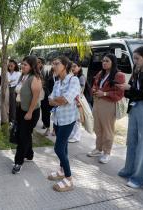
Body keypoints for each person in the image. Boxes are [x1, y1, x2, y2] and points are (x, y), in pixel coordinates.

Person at [117, 46, 143, 189]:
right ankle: (129, 170)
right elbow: (127, 93)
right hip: (134, 109)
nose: (134, 61)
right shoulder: (136, 71)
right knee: (131, 141)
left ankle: (140, 178)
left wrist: (134, 90)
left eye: (137, 58)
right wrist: (138, 91)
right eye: (134, 58)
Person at [47, 56, 80, 192]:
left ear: (65, 65)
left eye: (57, 63)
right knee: (64, 146)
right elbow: (50, 100)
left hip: (68, 120)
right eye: (53, 64)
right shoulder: (57, 82)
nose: (54, 66)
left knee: (58, 149)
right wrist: (58, 100)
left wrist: (58, 100)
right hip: (58, 119)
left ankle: (69, 178)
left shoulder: (73, 80)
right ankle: (61, 170)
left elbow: (65, 99)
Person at [87, 53, 125, 164]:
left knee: (107, 129)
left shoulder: (119, 75)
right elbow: (94, 84)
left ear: (113, 62)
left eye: (107, 61)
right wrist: (94, 89)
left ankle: (107, 152)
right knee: (97, 128)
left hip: (109, 104)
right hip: (97, 102)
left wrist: (104, 93)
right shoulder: (100, 73)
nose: (104, 63)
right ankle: (98, 149)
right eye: (103, 61)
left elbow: (119, 93)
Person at [12, 55, 42, 174]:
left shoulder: (35, 78)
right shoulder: (23, 76)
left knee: (22, 136)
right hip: (21, 109)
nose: (22, 66)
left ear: (32, 66)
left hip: (31, 111)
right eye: (22, 64)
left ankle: (18, 162)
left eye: (25, 65)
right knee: (25, 133)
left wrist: (29, 112)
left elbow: (36, 97)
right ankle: (29, 154)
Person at [68, 61, 86, 143]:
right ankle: (73, 134)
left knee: (78, 120)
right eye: (72, 66)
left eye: (75, 66)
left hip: (78, 100)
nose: (73, 68)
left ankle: (76, 137)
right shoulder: (73, 76)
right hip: (73, 100)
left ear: (80, 67)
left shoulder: (81, 77)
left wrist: (78, 102)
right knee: (74, 118)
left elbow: (80, 91)